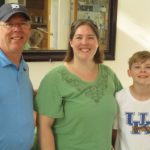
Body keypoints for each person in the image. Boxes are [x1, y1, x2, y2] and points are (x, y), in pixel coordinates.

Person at [34, 19, 122, 150]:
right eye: (79, 37)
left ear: (98, 42)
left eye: (90, 37)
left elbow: (125, 109)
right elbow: (44, 126)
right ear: (71, 42)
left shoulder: (109, 75)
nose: (84, 42)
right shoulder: (54, 79)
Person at [0, 3, 35, 150]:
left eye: (22, 23)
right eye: (9, 24)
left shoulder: (23, 67)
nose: (17, 29)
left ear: (29, 29)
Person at [114, 50, 150, 150]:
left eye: (148, 67)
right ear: (129, 72)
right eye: (137, 67)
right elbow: (113, 131)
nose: (143, 71)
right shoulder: (119, 98)